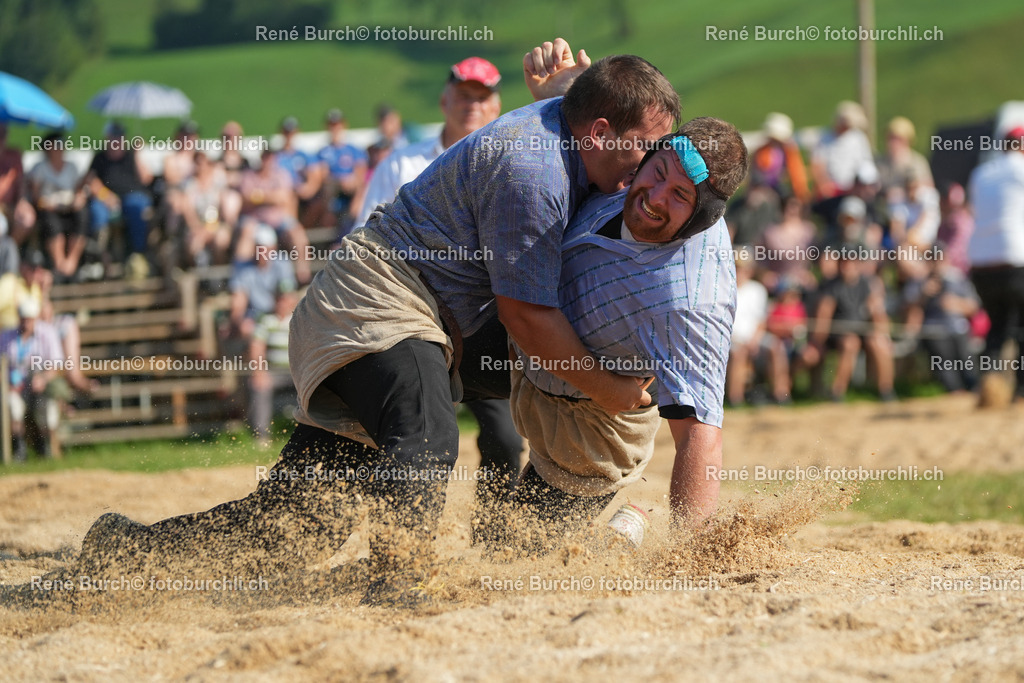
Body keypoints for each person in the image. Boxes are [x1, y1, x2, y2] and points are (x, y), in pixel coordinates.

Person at [74, 42, 679, 607]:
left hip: (406, 313)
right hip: (378, 299)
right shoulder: (535, 167)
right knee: (428, 437)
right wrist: (612, 391)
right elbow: (526, 317)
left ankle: (126, 551)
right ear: (600, 131)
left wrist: (568, 88)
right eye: (646, 149)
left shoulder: (572, 133)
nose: (648, 168)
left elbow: (577, 113)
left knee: (295, 529)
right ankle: (399, 588)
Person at [501, 116, 747, 547]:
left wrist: (688, 556)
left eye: (679, 195)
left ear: (702, 216)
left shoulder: (690, 301)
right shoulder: (627, 167)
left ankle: (623, 536)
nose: (655, 196)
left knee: (511, 554)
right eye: (658, 173)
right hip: (523, 339)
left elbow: (700, 433)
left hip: (590, 430)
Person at [351, 56, 520, 520]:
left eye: (482, 96)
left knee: (506, 438)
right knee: (407, 437)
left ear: (496, 106)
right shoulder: (401, 162)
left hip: (478, 326)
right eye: (464, 95)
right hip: (406, 318)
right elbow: (362, 236)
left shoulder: (509, 165)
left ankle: (496, 541)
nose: (472, 104)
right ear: (445, 100)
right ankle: (395, 537)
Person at [967, 125, 1024, 403]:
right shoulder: (1020, 170)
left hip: (980, 262)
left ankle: (989, 386)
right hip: (1014, 258)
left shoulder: (981, 173)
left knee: (997, 325)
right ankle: (1021, 390)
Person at [1, 297, 67, 461]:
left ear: (36, 317)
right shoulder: (6, 337)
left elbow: (57, 365)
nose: (26, 323)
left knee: (47, 408)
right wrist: (7, 385)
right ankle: (19, 449)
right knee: (12, 405)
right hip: (15, 388)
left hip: (41, 388)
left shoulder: (48, 333)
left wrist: (43, 378)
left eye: (29, 319)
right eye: (23, 318)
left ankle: (46, 448)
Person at [26, 132, 89, 281]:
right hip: (48, 209)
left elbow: (79, 191)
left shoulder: (72, 167)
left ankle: (72, 262)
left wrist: (79, 199)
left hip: (69, 209)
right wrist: (48, 203)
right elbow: (36, 197)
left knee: (83, 216)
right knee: (51, 223)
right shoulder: (40, 168)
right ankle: (60, 264)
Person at [811, 101, 876, 199]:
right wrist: (824, 184)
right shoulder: (824, 138)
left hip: (854, 190)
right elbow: (817, 165)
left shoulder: (858, 138)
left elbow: (866, 163)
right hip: (831, 191)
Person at [316, 109, 368, 233]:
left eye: (337, 125)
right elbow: (323, 176)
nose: (335, 129)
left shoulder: (354, 150)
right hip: (333, 188)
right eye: (332, 125)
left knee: (362, 188)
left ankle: (355, 217)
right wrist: (340, 181)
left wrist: (351, 181)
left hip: (351, 188)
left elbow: (361, 173)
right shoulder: (324, 152)